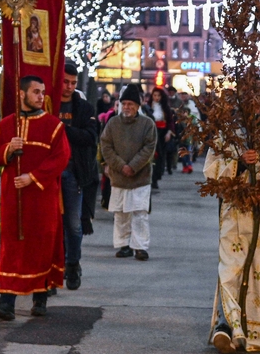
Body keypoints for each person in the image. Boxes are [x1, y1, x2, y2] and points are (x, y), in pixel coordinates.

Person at [0, 76, 71, 320]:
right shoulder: (6, 125)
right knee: (12, 246)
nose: (41, 96)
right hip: (14, 197)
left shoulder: (54, 126)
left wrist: (32, 177)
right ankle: (6, 303)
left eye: (42, 92)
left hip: (42, 197)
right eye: (35, 92)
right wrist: (8, 149)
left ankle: (40, 298)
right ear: (21, 94)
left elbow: (61, 157)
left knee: (40, 245)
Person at [206, 143, 260, 353]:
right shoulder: (226, 132)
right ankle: (225, 326)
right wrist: (239, 164)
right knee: (230, 269)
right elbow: (211, 170)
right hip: (234, 211)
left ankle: (252, 331)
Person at [100, 83, 157, 260]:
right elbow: (106, 146)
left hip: (140, 177)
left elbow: (149, 148)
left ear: (138, 106)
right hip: (119, 177)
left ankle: (140, 247)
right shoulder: (113, 123)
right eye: (124, 104)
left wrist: (133, 166)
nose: (126, 107)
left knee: (140, 213)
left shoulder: (147, 124)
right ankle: (123, 245)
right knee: (121, 213)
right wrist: (120, 166)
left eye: (130, 104)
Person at [58, 64, 99, 290]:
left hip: (74, 171)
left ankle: (72, 263)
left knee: (73, 225)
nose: (69, 87)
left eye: (73, 83)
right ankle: (54, 268)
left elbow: (90, 137)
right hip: (50, 172)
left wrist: (63, 130)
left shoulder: (83, 107)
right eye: (65, 82)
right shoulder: (48, 104)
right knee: (52, 225)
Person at [148, 87, 174, 190]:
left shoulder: (166, 108)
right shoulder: (148, 107)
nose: (156, 97)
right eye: (155, 95)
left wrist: (169, 132)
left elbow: (170, 122)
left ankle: (156, 178)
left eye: (158, 95)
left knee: (160, 156)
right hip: (151, 133)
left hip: (162, 133)